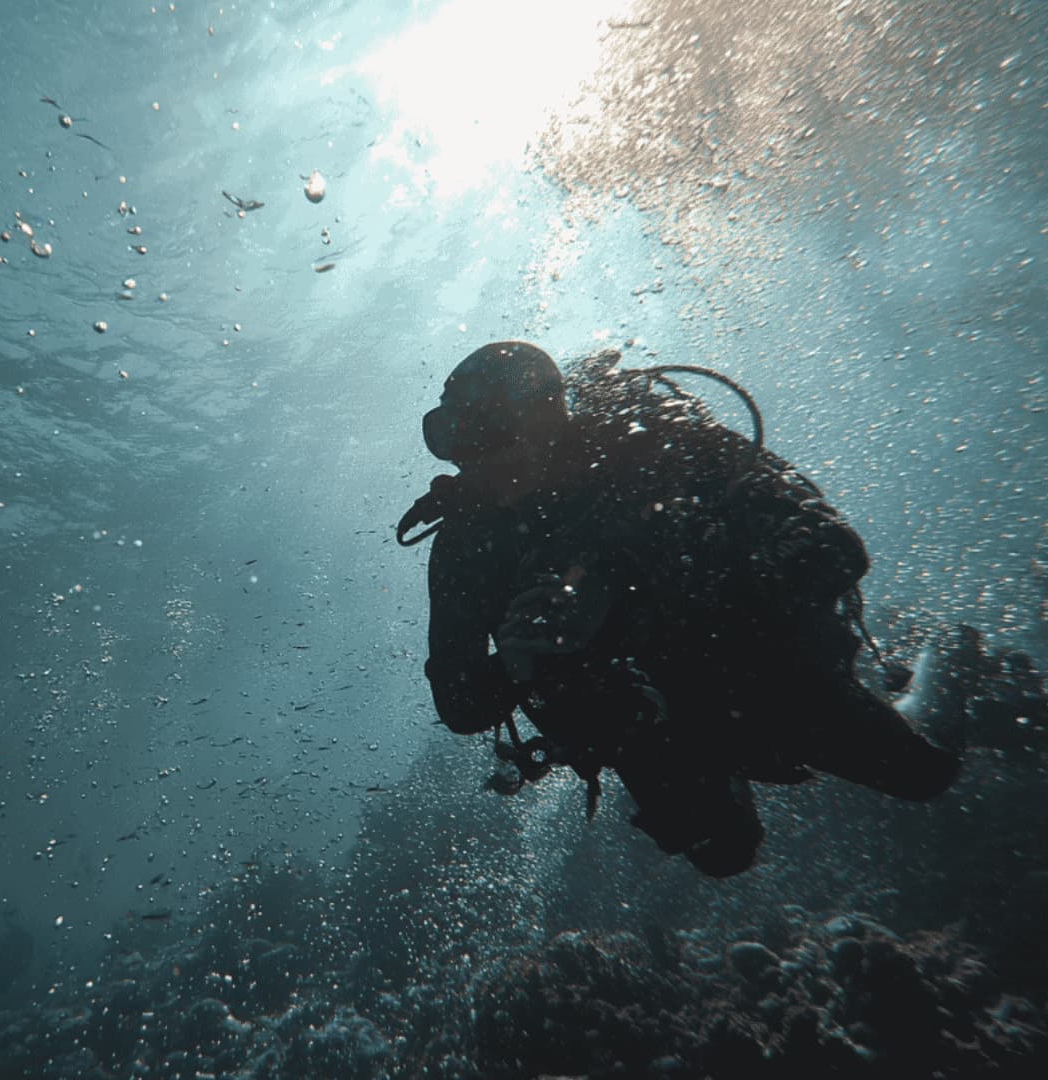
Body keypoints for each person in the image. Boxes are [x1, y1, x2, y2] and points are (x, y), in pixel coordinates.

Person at [397, 341, 992, 876]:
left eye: (490, 436)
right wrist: (514, 667)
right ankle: (722, 771)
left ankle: (943, 663)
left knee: (923, 775)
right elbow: (460, 704)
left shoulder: (653, 448)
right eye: (455, 442)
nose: (471, 465)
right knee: (722, 852)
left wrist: (627, 604)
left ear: (547, 416)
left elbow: (833, 550)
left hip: (756, 664)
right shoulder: (469, 545)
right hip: (642, 718)